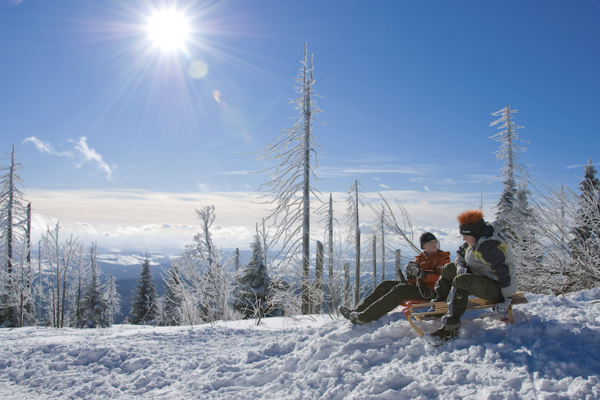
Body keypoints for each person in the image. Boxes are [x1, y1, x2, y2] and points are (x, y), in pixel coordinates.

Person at [424, 209, 518, 346]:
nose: (463, 238)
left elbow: (505, 273)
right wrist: (461, 265)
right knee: (450, 268)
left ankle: (450, 328)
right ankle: (439, 304)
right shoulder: (475, 241)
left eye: (465, 235)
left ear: (473, 233)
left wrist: (507, 298)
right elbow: (460, 254)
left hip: (498, 288)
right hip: (484, 278)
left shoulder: (491, 247)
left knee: (461, 281)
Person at [339, 232, 451, 324]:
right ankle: (357, 311)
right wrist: (411, 275)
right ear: (423, 246)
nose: (434, 244)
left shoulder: (443, 258)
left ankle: (366, 316)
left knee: (401, 289)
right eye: (431, 242)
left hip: (432, 292)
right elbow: (412, 281)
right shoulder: (420, 259)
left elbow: (441, 279)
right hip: (419, 288)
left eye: (435, 242)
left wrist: (423, 275)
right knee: (385, 285)